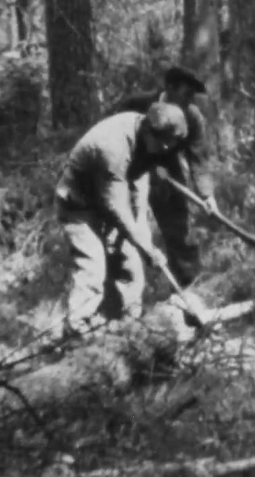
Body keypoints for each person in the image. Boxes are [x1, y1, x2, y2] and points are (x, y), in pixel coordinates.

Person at [55, 102, 206, 336]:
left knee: (131, 267)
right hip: (80, 206)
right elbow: (115, 206)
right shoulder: (113, 147)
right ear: (148, 130)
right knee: (93, 268)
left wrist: (142, 232)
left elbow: (138, 185)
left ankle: (122, 328)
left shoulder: (147, 140)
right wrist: (146, 247)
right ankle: (76, 332)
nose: (166, 148)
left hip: (112, 202)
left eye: (171, 144)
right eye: (163, 142)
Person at [113, 65, 217, 288]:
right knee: (124, 224)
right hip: (129, 167)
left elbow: (199, 158)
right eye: (185, 94)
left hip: (166, 168)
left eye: (192, 96)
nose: (189, 101)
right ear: (169, 88)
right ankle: (123, 287)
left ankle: (187, 281)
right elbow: (114, 138)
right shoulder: (136, 104)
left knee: (178, 223)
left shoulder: (192, 117)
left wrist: (207, 194)